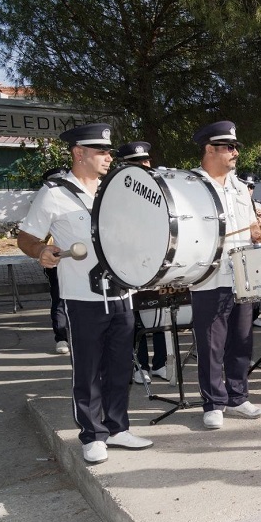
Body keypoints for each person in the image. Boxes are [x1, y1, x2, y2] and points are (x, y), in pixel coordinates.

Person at [17, 123, 153, 464]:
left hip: (121, 294)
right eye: (102, 152)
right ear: (80, 154)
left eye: (108, 151)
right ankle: (93, 434)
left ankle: (118, 427)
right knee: (89, 370)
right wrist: (40, 252)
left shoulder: (116, 190)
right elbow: (26, 237)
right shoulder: (54, 193)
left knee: (120, 366)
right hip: (82, 298)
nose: (109, 157)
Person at [189, 121, 261, 429]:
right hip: (209, 276)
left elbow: (251, 229)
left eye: (236, 147)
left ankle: (238, 396)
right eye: (229, 147)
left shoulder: (239, 186)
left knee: (241, 340)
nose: (235, 152)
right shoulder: (192, 185)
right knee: (211, 344)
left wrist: (258, 232)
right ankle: (213, 402)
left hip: (242, 275)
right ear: (210, 149)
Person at [116, 141, 170, 384]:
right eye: (137, 163)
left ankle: (159, 364)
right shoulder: (116, 195)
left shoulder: (157, 191)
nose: (144, 166)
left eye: (146, 161)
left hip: (155, 262)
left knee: (158, 316)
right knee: (136, 319)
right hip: (129, 263)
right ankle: (140, 366)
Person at [39, 167, 70, 355]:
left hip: (79, 258)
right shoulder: (46, 201)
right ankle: (61, 337)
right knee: (59, 298)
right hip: (56, 258)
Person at [237, 173, 261, 329]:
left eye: (252, 187)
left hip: (255, 251)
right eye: (246, 186)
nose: (249, 189)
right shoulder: (237, 204)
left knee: (256, 287)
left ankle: (255, 316)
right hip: (240, 251)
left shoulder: (257, 205)